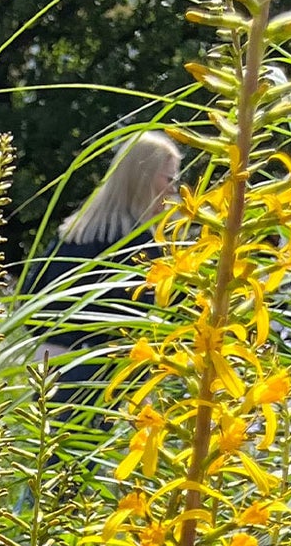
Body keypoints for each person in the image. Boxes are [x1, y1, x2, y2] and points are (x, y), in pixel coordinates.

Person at [26, 129, 180, 390]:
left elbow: (31, 297)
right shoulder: (141, 246)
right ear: (143, 177)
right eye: (169, 178)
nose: (174, 189)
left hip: (49, 366)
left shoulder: (73, 232)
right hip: (104, 379)